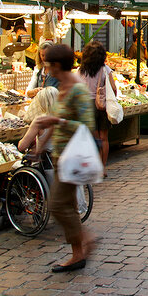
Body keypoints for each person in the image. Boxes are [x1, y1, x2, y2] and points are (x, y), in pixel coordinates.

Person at [26, 44, 97, 272]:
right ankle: (78, 254)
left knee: (56, 205)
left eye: (49, 65)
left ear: (57, 65)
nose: (47, 69)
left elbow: (87, 125)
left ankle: (85, 240)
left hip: (73, 155)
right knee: (68, 205)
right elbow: (55, 121)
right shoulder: (62, 87)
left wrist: (58, 122)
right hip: (61, 156)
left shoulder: (77, 89)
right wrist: (41, 148)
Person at [79, 41, 118, 175]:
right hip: (101, 105)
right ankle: (102, 168)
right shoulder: (105, 69)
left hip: (86, 106)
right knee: (104, 138)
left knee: (92, 138)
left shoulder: (81, 70)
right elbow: (113, 88)